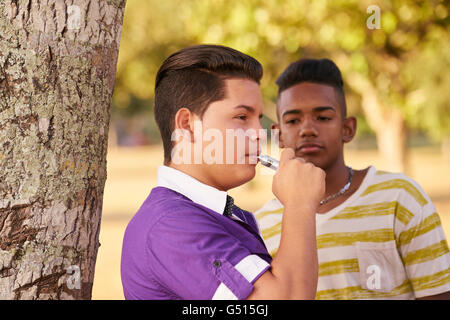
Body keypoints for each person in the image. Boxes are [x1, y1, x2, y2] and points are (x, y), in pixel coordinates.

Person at [120, 45, 325, 300]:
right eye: (241, 117)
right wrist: (300, 203)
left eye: (258, 118)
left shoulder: (222, 215)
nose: (260, 134)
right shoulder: (171, 226)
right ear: (187, 125)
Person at [255, 58, 450, 300]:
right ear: (278, 135)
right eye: (293, 121)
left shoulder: (399, 198)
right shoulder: (260, 227)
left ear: (347, 128)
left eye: (323, 118)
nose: (307, 129)